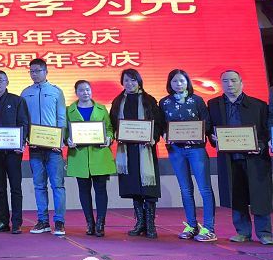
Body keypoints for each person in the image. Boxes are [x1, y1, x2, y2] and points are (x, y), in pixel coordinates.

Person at [208, 70, 272, 244]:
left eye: (233, 80)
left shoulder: (259, 105)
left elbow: (266, 132)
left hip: (255, 158)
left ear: (241, 83)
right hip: (230, 158)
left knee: (260, 195)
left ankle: (265, 233)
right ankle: (243, 232)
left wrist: (260, 145)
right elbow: (209, 129)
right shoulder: (213, 104)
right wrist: (213, 138)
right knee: (236, 195)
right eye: (225, 81)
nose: (230, 84)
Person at [159, 69, 216, 242]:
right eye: (175, 81)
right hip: (176, 150)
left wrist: (198, 132)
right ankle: (191, 225)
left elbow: (207, 123)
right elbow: (161, 125)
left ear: (187, 82)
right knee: (185, 189)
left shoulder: (197, 100)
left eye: (182, 81)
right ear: (170, 83)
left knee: (204, 188)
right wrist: (165, 134)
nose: (178, 84)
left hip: (196, 149)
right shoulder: (164, 102)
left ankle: (209, 228)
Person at [109, 69, 164, 239]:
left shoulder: (149, 100)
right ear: (122, 82)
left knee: (148, 188)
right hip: (128, 151)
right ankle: (140, 223)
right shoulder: (118, 101)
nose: (130, 83)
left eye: (133, 80)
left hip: (146, 149)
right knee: (134, 187)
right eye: (126, 80)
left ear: (139, 81)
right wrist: (117, 134)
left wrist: (153, 137)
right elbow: (113, 123)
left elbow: (158, 123)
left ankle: (150, 224)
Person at [21, 58, 67, 235]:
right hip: (34, 148)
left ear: (46, 71)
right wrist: (24, 138)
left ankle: (59, 222)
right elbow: (23, 120)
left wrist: (60, 140)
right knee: (39, 186)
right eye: (31, 71)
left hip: (54, 148)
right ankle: (42, 221)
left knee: (57, 185)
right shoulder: (25, 93)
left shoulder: (56, 92)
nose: (34, 74)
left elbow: (61, 118)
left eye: (37, 71)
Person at [66, 80, 115, 237]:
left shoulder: (101, 109)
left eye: (87, 89)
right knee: (84, 191)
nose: (85, 92)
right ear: (76, 92)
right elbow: (65, 131)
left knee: (101, 190)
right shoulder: (69, 110)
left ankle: (100, 223)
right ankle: (89, 223)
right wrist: (67, 140)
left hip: (99, 155)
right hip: (79, 156)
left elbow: (109, 129)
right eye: (81, 90)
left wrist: (109, 138)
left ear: (91, 91)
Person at [0, 70, 29, 234]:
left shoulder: (17, 100)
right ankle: (2, 221)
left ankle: (16, 222)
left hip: (13, 152)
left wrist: (21, 142)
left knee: (15, 188)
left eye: (1, 80)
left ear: (7, 82)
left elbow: (24, 123)